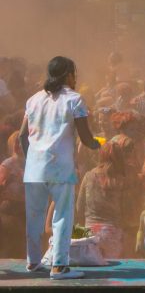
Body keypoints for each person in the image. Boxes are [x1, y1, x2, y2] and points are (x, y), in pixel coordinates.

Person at [19, 56, 101, 279]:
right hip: (60, 167)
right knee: (63, 215)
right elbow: (85, 137)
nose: (76, 78)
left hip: (34, 168)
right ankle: (59, 267)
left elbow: (22, 136)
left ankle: (33, 262)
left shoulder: (33, 99)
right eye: (75, 74)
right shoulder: (74, 99)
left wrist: (32, 160)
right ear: (68, 75)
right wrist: (97, 144)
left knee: (34, 216)